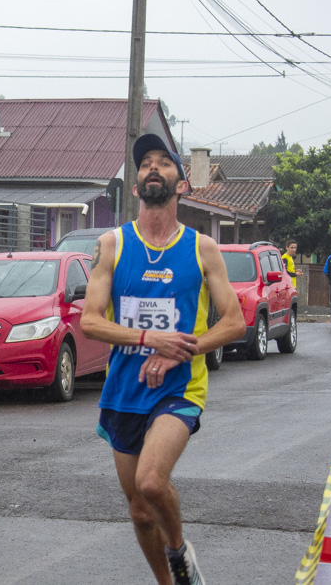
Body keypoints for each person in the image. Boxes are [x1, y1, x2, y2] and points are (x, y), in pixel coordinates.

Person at [80, 133, 245, 585]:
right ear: (136, 187)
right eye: (145, 163)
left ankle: (179, 553)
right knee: (138, 510)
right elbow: (90, 322)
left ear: (182, 184)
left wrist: (180, 352)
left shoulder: (201, 248)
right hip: (124, 389)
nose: (153, 168)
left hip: (179, 386)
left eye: (164, 163)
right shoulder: (111, 245)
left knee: (152, 483)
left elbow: (234, 323)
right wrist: (152, 338)